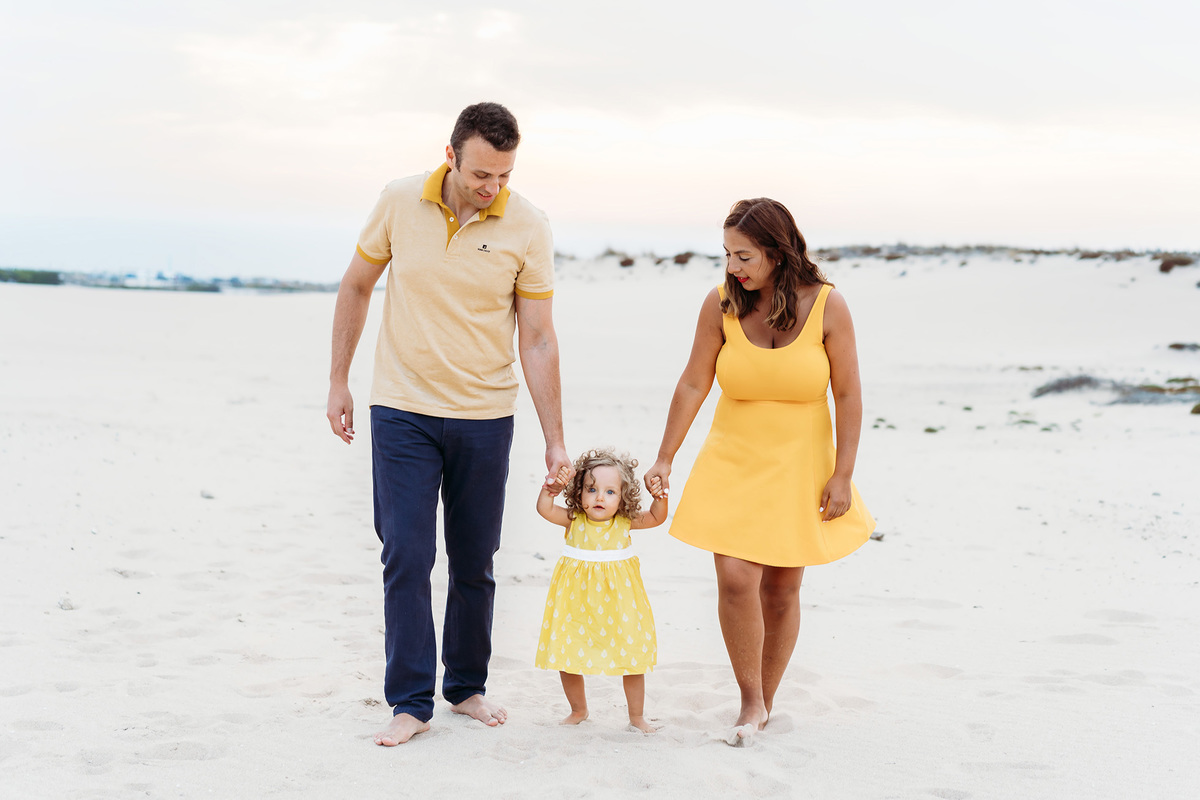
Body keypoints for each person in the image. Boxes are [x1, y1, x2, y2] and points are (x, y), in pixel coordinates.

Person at [325, 102, 572, 746]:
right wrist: (338, 381)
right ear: (451, 156)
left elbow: (539, 338)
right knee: (406, 552)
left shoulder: (528, 225)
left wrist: (555, 439)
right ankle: (410, 699)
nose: (493, 187)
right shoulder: (399, 201)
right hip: (402, 408)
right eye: (482, 173)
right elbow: (355, 287)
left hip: (485, 415)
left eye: (505, 175)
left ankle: (465, 685)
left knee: (473, 558)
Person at [644, 198, 875, 747]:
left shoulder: (828, 305)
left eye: (743, 255)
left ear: (776, 251)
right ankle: (749, 699)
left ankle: (767, 701)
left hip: (801, 460)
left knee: (781, 589)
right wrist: (664, 456)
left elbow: (847, 393)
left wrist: (843, 474)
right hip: (733, 455)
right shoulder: (720, 303)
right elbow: (694, 383)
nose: (732, 266)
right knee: (736, 577)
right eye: (726, 254)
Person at [534, 449, 669, 733]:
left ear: (622, 497)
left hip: (620, 606)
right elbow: (545, 509)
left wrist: (659, 497)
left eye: (610, 492)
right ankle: (578, 709)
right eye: (591, 489)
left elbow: (657, 518)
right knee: (568, 655)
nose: (599, 498)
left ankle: (636, 716)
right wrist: (551, 488)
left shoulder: (624, 523)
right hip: (576, 605)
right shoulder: (574, 520)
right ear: (578, 492)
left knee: (632, 659)